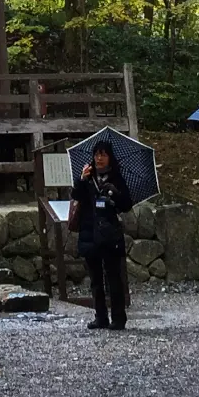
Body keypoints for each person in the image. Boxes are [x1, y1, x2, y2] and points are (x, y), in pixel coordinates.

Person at [72, 141, 135, 330]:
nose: (99, 158)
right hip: (89, 230)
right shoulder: (87, 177)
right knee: (95, 279)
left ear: (110, 157)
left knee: (114, 278)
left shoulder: (116, 178)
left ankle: (118, 317)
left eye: (103, 155)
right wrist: (82, 179)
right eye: (97, 154)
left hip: (109, 232)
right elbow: (76, 195)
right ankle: (100, 316)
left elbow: (126, 205)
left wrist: (114, 193)